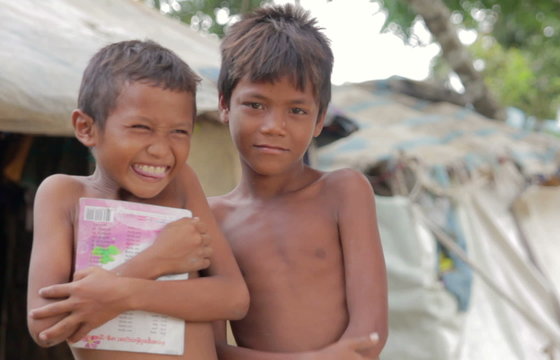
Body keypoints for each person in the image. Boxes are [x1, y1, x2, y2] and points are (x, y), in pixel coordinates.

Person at [27, 39, 249, 360]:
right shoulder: (64, 195)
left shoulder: (182, 184)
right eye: (140, 127)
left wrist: (124, 293)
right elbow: (46, 325)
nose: (161, 150)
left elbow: (234, 297)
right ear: (86, 127)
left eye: (179, 132)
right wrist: (154, 261)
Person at [209, 4, 388, 359]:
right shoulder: (213, 219)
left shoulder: (343, 192)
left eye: (297, 110)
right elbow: (212, 350)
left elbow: (369, 336)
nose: (274, 125)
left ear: (320, 120)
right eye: (256, 105)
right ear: (225, 105)